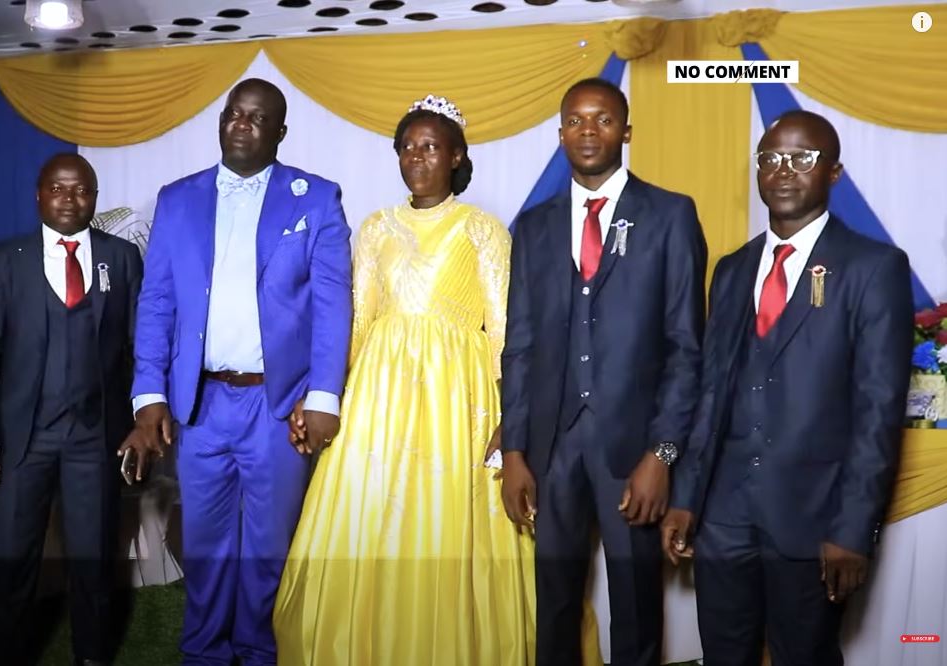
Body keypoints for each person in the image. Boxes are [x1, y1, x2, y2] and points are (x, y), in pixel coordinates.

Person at [273, 95, 603, 666]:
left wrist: (513, 417)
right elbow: (358, 321)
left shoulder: (482, 229)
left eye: (430, 146)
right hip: (379, 396)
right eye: (407, 147)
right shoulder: (375, 228)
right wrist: (324, 393)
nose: (417, 157)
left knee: (451, 521)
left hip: (458, 398)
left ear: (455, 156)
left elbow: (506, 330)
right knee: (373, 517)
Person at [661, 110, 912, 666]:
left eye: (802, 158)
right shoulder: (731, 270)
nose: (783, 170)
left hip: (814, 520)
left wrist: (853, 530)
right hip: (724, 517)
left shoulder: (874, 268)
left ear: (834, 172)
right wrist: (685, 498)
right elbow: (710, 393)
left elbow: (877, 412)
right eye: (770, 158)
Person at [121, 78, 352, 665]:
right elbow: (157, 301)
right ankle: (204, 652)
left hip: (277, 405)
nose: (241, 124)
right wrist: (149, 394)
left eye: (257, 117)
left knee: (268, 546)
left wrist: (323, 398)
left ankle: (256, 650)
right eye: (233, 113)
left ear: (280, 132)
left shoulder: (316, 198)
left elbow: (332, 306)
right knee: (205, 542)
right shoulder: (178, 199)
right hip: (200, 404)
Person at [499, 77, 708, 666]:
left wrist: (661, 455)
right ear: (560, 133)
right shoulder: (534, 226)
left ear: (626, 131)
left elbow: (686, 348)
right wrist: (514, 451)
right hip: (552, 448)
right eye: (575, 120)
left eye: (603, 119)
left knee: (636, 608)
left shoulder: (669, 215)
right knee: (555, 606)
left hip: (634, 450)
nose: (588, 131)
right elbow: (520, 346)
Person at [0, 153, 142, 666]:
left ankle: (92, 655)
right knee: (13, 558)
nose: (69, 199)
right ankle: (10, 655)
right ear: (39, 195)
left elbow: (139, 346)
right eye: (58, 188)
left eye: (81, 190)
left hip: (95, 437)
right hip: (22, 437)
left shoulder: (121, 258)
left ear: (94, 198)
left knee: (93, 558)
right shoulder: (6, 259)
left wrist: (141, 418)